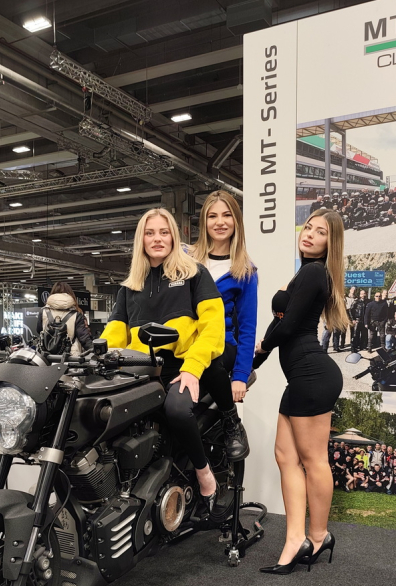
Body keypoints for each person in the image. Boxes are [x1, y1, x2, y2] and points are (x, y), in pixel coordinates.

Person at [102, 208, 225, 507]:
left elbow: (213, 328)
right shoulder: (130, 287)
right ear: (141, 240)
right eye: (150, 233)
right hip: (140, 371)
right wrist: (94, 358)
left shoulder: (194, 273)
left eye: (164, 232)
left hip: (183, 365)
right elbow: (113, 334)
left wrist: (192, 368)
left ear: (173, 236)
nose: (157, 239)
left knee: (178, 410)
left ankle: (204, 473)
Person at [254, 209, 345, 574]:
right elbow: (281, 326)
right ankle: (295, 539)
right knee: (285, 457)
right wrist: (252, 363)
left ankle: (319, 536)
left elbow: (288, 327)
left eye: (320, 232)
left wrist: (260, 350)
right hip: (301, 377)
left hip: (312, 375)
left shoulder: (314, 272)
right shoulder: (305, 272)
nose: (309, 234)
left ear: (330, 243)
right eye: (308, 227)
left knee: (313, 459)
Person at [192, 189, 255, 459]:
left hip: (221, 346)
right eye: (212, 216)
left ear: (236, 221)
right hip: (187, 343)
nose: (220, 222)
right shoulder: (187, 260)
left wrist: (240, 376)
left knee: (210, 356)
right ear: (204, 222)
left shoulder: (245, 271)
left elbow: (248, 328)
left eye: (227, 215)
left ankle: (232, 421)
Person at [37, 281, 93, 356]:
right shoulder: (76, 314)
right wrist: (96, 351)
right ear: (70, 294)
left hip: (46, 356)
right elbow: (84, 338)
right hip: (69, 357)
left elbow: (39, 330)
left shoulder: (43, 311)